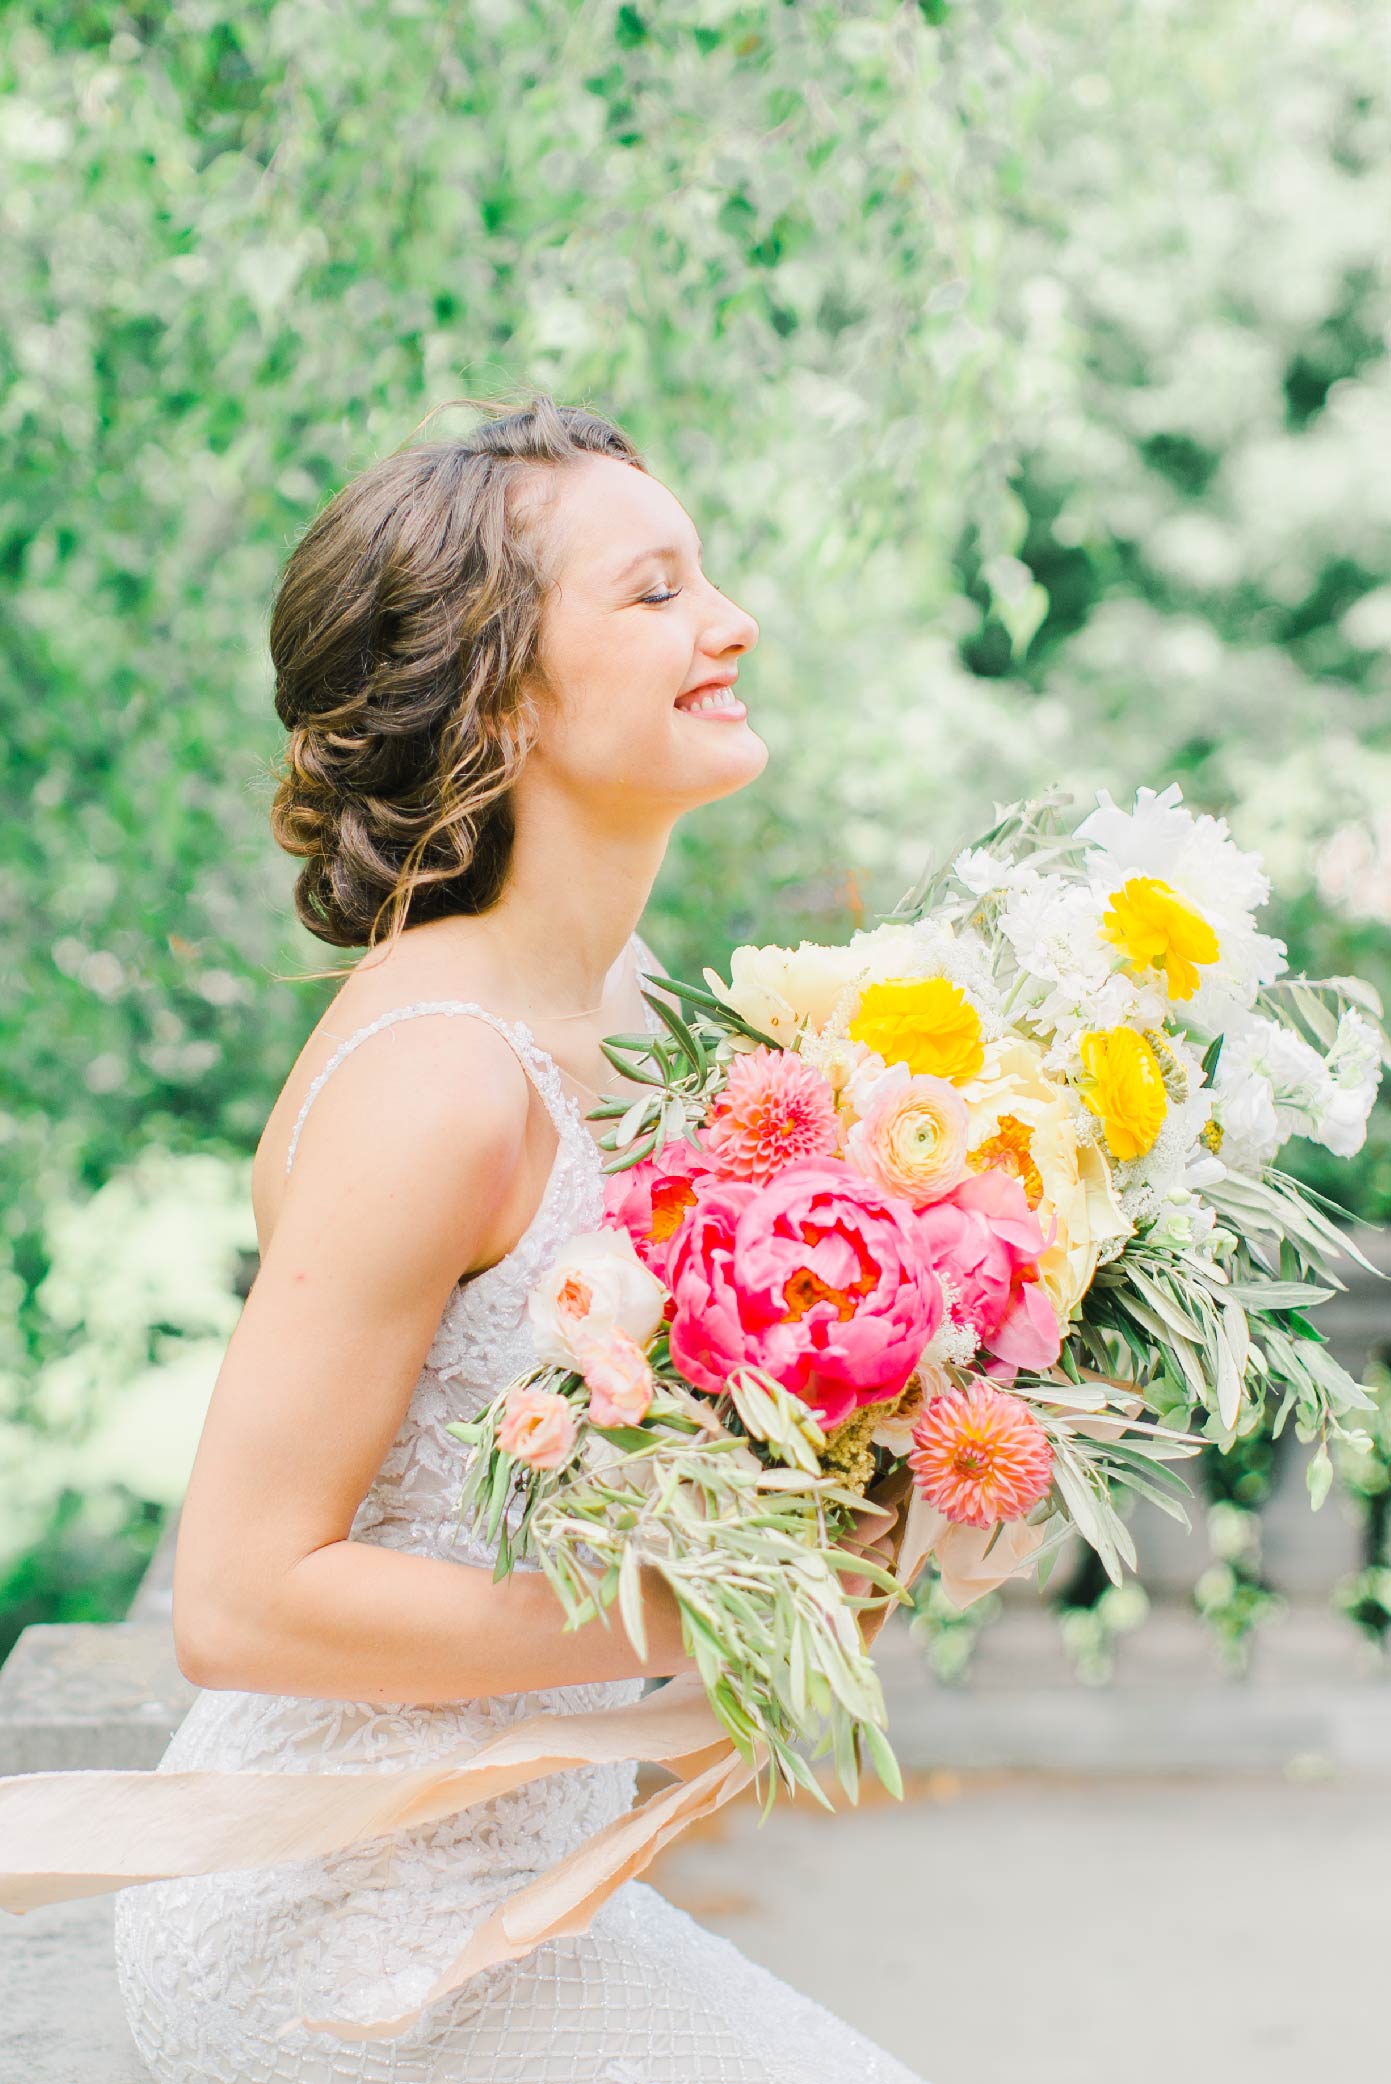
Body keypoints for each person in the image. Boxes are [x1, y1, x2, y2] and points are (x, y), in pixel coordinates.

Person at [112, 394, 928, 2082]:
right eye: (654, 593)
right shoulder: (440, 1082)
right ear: (499, 699)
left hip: (524, 1876)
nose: (732, 622)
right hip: (330, 1913)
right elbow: (239, 1598)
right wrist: (695, 1610)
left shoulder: (621, 1005)